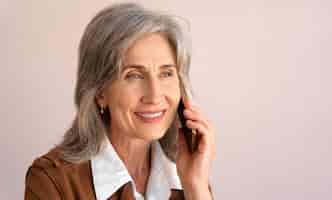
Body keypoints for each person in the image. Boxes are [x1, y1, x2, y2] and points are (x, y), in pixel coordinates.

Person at [24, 2, 216, 200]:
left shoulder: (188, 176)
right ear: (100, 92)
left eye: (166, 73)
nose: (155, 95)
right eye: (134, 75)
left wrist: (196, 187)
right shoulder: (52, 181)